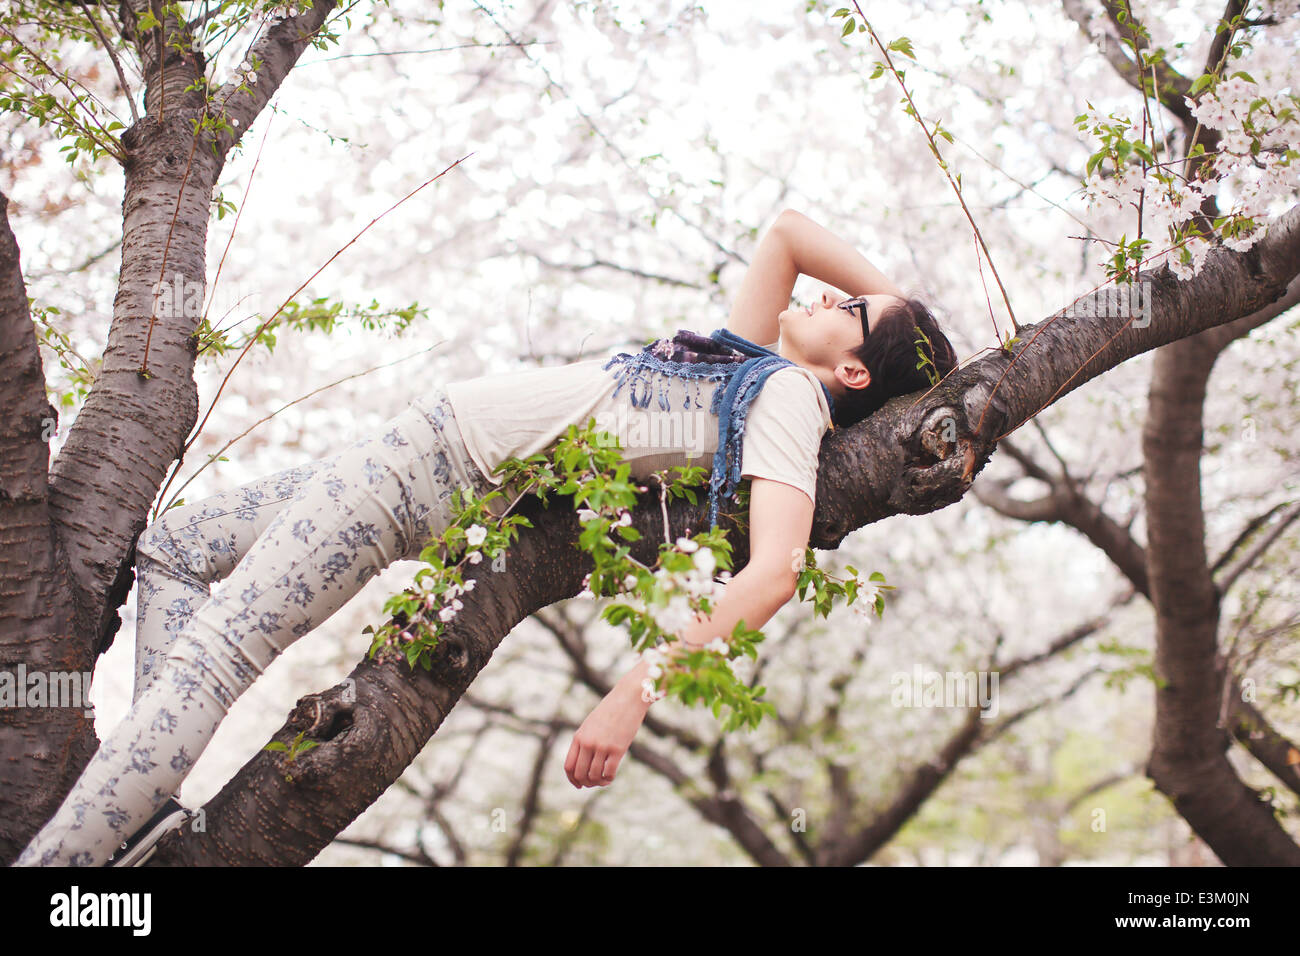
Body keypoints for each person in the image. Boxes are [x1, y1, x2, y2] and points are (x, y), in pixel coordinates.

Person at [14, 209, 958, 867]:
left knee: (219, 658)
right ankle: (138, 807)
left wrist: (634, 691)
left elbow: (777, 571)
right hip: (414, 455)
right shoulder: (753, 366)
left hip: (428, 467)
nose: (834, 296)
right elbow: (790, 233)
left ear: (850, 373)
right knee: (175, 548)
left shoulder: (790, 396)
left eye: (851, 314)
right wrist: (901, 319)